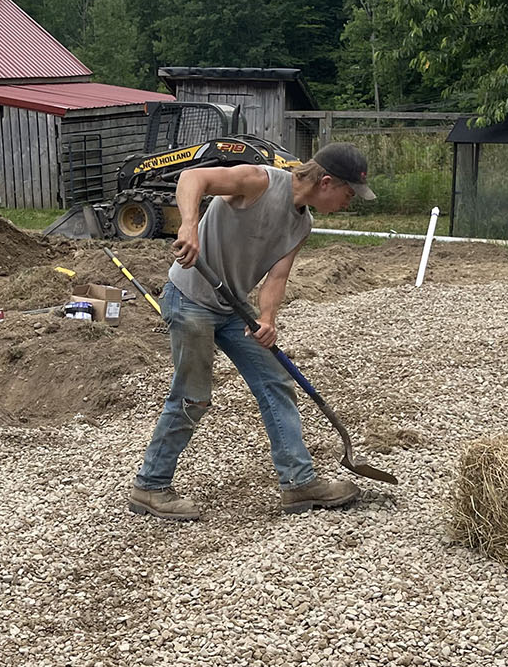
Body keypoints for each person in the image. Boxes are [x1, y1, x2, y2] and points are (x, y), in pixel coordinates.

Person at [127, 143, 376, 522]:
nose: (348, 203)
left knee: (276, 382)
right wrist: (190, 225)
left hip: (231, 308)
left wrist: (267, 318)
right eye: (348, 194)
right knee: (193, 396)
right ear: (326, 182)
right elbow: (193, 177)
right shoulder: (258, 181)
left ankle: (298, 482)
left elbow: (277, 275)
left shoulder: (302, 224)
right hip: (191, 296)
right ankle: (150, 485)